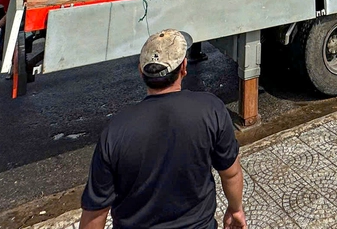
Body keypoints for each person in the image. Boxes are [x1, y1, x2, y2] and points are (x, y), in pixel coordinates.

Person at [79, 29, 246, 229]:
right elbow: (231, 173)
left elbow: (95, 212)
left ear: (141, 72)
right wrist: (235, 209)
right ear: (184, 67)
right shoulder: (211, 109)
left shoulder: (115, 131)